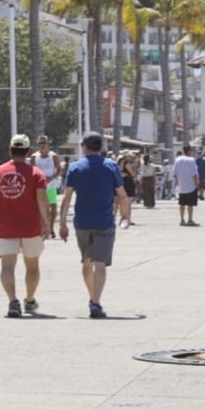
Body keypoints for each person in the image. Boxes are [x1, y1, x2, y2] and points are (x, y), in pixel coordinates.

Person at [59, 132, 131, 319]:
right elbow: (122, 195)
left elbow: (66, 197)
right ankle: (96, 301)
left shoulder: (75, 168)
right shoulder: (111, 166)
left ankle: (92, 297)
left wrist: (62, 223)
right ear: (101, 147)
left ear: (84, 146)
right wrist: (125, 215)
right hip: (104, 222)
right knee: (100, 264)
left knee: (86, 261)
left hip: (82, 222)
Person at [0, 134, 50, 317]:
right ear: (28, 152)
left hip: (6, 226)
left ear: (10, 150)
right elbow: (42, 198)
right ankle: (29, 299)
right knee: (32, 265)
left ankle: (13, 301)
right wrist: (46, 223)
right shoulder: (36, 173)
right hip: (31, 227)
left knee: (7, 266)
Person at [33, 135, 64, 238]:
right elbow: (32, 170)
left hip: (51, 185)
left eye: (44, 143)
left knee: (53, 209)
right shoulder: (34, 157)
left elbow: (59, 170)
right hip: (39, 187)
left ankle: (51, 227)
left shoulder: (53, 156)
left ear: (47, 144)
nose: (42, 145)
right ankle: (42, 228)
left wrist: (52, 177)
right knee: (40, 208)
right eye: (40, 143)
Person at [172, 145, 199, 226]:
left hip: (181, 186)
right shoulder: (191, 160)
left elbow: (175, 174)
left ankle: (182, 220)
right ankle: (190, 220)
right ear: (189, 151)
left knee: (182, 204)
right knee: (190, 204)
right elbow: (194, 174)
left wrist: (179, 182)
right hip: (191, 186)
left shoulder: (178, 159)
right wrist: (197, 183)